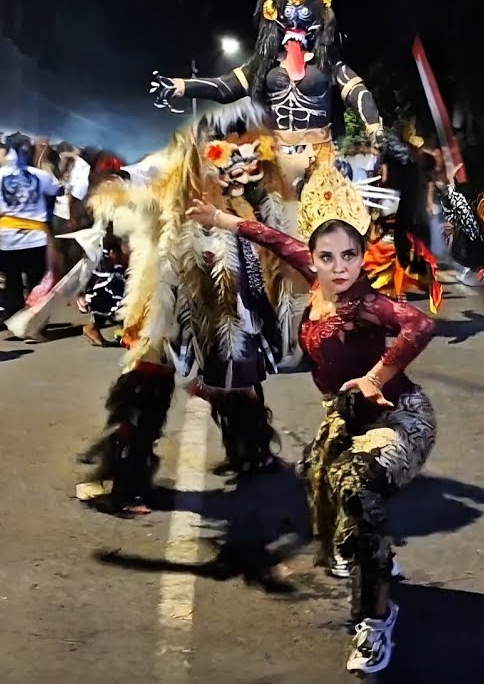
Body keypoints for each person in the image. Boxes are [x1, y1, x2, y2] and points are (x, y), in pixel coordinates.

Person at [186, 201, 436, 676]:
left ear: (363, 259)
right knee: (317, 480)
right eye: (327, 257)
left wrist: (376, 377)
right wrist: (219, 219)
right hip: (343, 419)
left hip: (399, 418)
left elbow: (420, 324)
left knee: (358, 496)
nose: (339, 267)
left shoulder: (365, 304)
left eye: (349, 257)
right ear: (314, 258)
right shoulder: (317, 275)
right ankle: (374, 553)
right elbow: (273, 238)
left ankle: (377, 618)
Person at [0, 135, 61, 313]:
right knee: (37, 284)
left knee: (12, 283)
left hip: (9, 238)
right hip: (36, 239)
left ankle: (16, 322)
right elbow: (58, 190)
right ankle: (33, 323)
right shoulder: (41, 175)